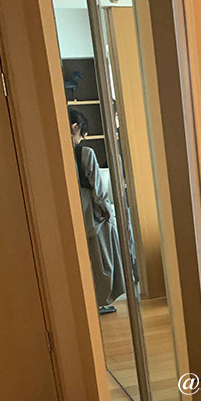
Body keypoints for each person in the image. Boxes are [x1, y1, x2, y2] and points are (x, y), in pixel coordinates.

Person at [68, 107, 126, 314]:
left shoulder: (53, 155)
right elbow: (99, 191)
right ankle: (100, 301)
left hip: (70, 214)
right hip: (90, 214)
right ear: (75, 127)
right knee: (102, 259)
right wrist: (109, 212)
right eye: (82, 133)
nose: (82, 138)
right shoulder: (85, 153)